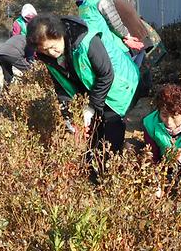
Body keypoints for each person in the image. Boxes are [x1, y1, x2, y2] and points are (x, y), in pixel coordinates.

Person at [26, 13, 140, 155]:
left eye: (53, 46)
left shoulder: (87, 41)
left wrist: (91, 107)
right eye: (44, 50)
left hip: (119, 84)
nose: (51, 53)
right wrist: (69, 116)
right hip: (92, 87)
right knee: (94, 135)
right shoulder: (49, 59)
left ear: (60, 34)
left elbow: (106, 75)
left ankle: (112, 162)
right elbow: (62, 89)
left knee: (111, 127)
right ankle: (94, 163)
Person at [78, 0, 145, 60]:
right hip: (105, 43)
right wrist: (127, 35)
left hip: (87, 42)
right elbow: (114, 22)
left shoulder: (86, 0)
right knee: (128, 62)